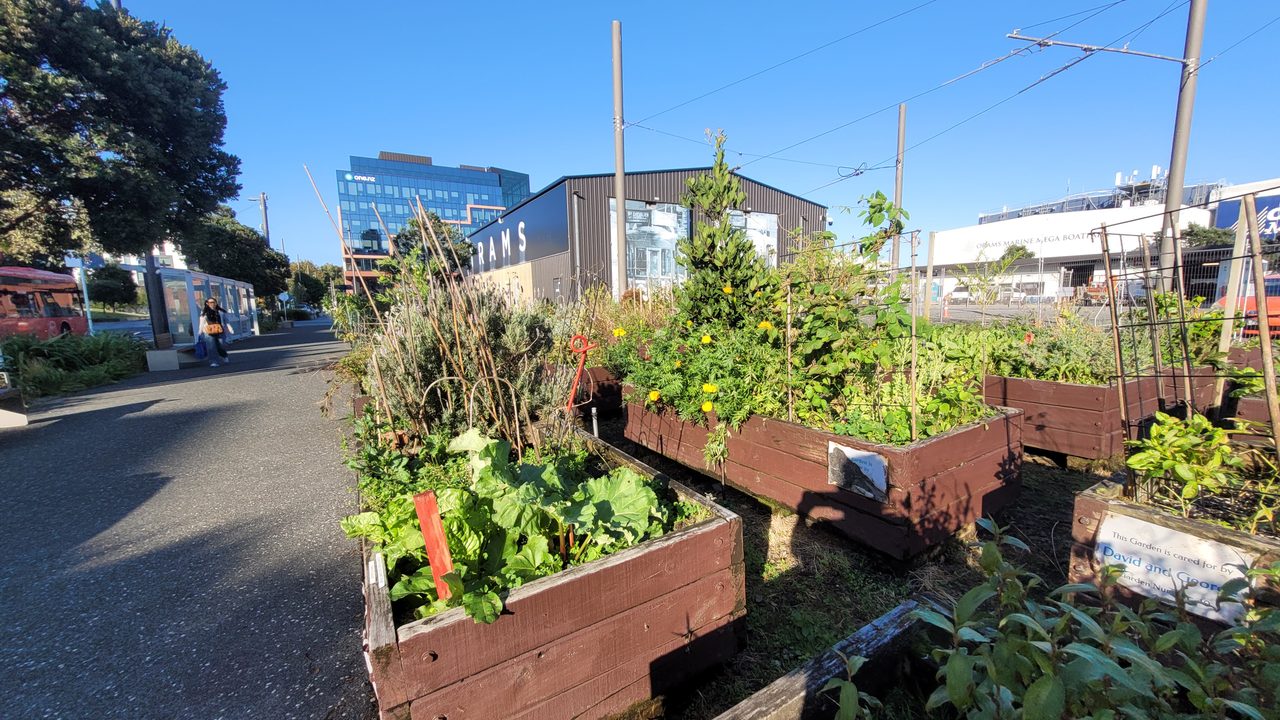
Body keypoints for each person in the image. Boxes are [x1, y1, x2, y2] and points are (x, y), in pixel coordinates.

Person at [198, 297, 231, 367]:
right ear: (207, 303)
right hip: (208, 331)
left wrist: (230, 328)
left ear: (216, 303)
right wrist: (200, 332)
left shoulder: (220, 311)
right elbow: (201, 323)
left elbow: (226, 321)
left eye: (213, 302)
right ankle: (213, 361)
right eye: (210, 302)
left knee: (221, 345)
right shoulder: (204, 312)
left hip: (220, 330)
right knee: (211, 347)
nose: (212, 304)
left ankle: (224, 355)